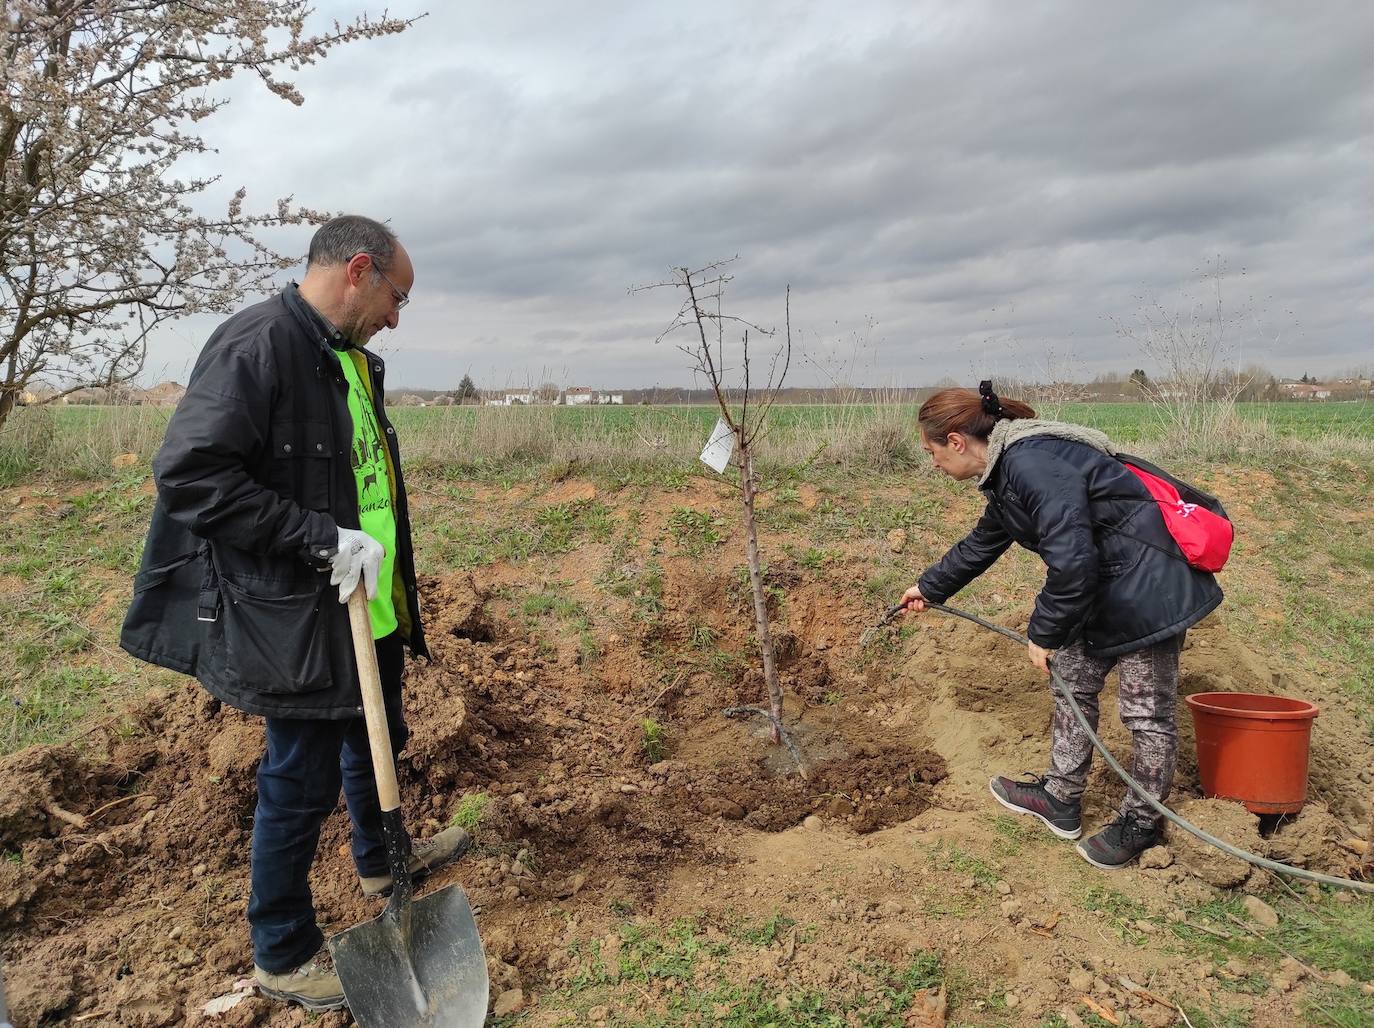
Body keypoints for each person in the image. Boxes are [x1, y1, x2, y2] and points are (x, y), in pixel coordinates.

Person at [121, 216, 470, 1011]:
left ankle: (382, 861)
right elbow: (192, 476)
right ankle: (281, 951)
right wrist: (321, 540)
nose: (396, 318)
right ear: (359, 270)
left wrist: (370, 563)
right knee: (298, 779)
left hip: (366, 595)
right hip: (300, 611)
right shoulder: (259, 346)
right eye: (397, 297)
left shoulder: (344, 358)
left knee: (376, 739)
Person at [901, 383, 1223, 870]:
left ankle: (1142, 823)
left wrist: (1045, 631)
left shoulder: (1032, 464)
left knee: (1146, 715)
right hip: (1105, 585)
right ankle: (1060, 797)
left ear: (957, 441)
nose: (934, 464)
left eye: (932, 453)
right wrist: (929, 588)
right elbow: (984, 542)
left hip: (1150, 589)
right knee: (1071, 683)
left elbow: (1072, 560)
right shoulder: (1009, 471)